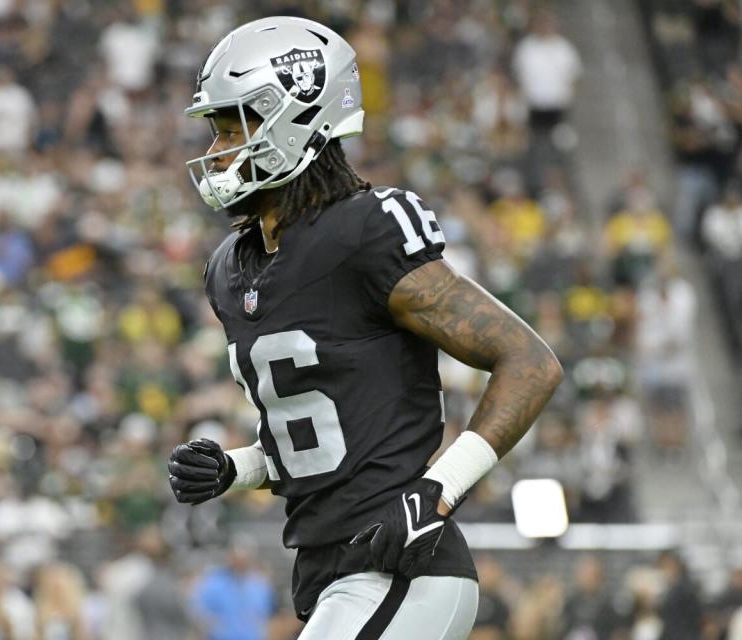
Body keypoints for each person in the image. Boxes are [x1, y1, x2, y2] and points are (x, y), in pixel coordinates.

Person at [167, 16, 563, 640]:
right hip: (328, 567)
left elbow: (530, 362)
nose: (217, 153)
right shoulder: (230, 267)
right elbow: (328, 437)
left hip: (400, 561)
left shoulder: (365, 229)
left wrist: (438, 491)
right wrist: (236, 468)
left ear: (296, 121)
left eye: (230, 130)